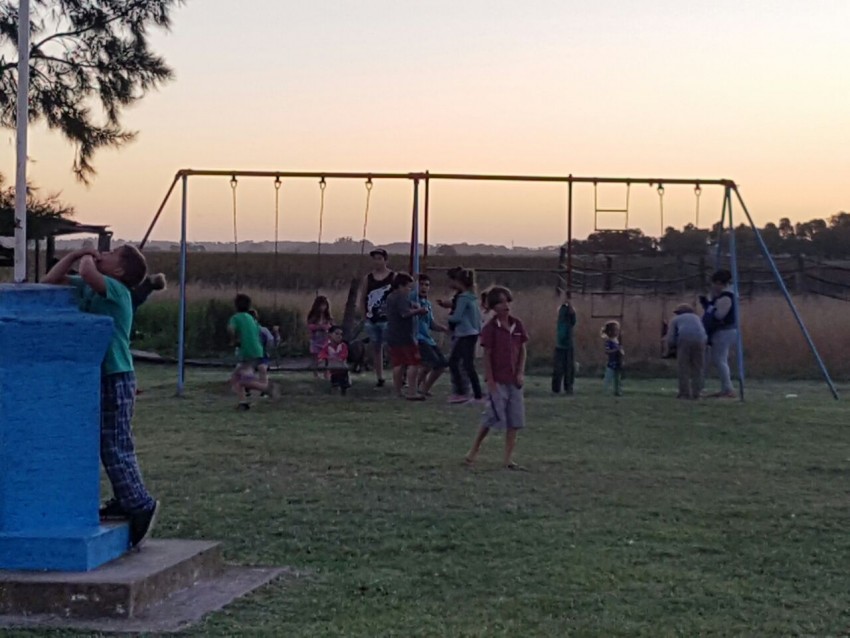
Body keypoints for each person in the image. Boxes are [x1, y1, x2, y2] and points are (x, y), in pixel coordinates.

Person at [43, 244, 160, 548]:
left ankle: (140, 503)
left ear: (119, 271)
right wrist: (70, 257)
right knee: (107, 441)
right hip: (101, 375)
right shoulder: (95, 288)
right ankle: (125, 498)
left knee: (114, 444)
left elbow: (86, 271)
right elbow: (49, 282)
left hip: (116, 374)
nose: (101, 255)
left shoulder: (118, 291)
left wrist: (84, 255)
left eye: (110, 255)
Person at [464, 286, 528, 470]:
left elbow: (522, 349)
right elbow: (487, 355)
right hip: (498, 380)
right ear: (493, 306)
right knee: (492, 415)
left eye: (507, 301)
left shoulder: (517, 325)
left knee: (514, 419)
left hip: (514, 381)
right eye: (500, 302)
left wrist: (520, 372)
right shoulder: (490, 328)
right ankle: (473, 450)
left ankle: (508, 458)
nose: (505, 305)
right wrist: (490, 380)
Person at [385, 272, 428, 400]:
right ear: (400, 286)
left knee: (398, 364)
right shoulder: (400, 297)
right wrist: (419, 311)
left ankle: (398, 391)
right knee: (413, 363)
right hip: (405, 335)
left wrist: (412, 306)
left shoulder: (391, 297)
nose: (409, 290)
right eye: (408, 287)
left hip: (393, 334)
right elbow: (404, 314)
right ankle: (412, 392)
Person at [699, 269, 738, 398]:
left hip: (724, 331)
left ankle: (728, 389)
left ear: (720, 283)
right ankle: (723, 388)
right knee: (716, 359)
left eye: (715, 284)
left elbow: (719, 315)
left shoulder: (726, 297)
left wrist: (710, 309)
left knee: (719, 360)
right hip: (725, 331)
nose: (714, 287)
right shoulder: (728, 295)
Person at [360, 248, 395, 387]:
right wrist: (364, 315)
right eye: (375, 259)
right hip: (372, 318)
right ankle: (380, 376)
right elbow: (363, 297)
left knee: (392, 347)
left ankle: (398, 374)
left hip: (388, 319)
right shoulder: (368, 278)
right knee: (376, 347)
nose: (377, 261)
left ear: (385, 260)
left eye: (380, 258)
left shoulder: (393, 276)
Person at [447, 268, 483, 404]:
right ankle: (472, 392)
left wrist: (449, 317)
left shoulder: (462, 298)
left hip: (465, 334)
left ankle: (468, 393)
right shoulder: (472, 297)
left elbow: (457, 317)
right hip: (472, 333)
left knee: (461, 363)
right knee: (461, 363)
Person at [228, 293, 268, 410]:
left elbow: (230, 329)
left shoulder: (236, 317)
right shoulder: (251, 318)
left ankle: (266, 388)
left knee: (242, 380)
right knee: (236, 378)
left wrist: (233, 340)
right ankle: (242, 403)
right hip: (258, 351)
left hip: (247, 352)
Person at [416, 274, 449, 396]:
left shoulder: (427, 304)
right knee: (430, 362)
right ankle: (414, 387)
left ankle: (425, 388)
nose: (424, 287)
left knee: (442, 364)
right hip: (417, 338)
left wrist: (443, 328)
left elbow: (431, 323)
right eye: (421, 284)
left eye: (427, 285)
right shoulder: (412, 301)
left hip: (427, 338)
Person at [665, 303, 707, 400]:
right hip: (700, 340)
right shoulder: (697, 318)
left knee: (683, 367)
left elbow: (670, 337)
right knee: (698, 367)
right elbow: (703, 332)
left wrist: (671, 348)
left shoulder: (675, 319)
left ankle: (684, 393)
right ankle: (697, 393)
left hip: (684, 339)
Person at [552, 297, 577, 395]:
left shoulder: (566, 321)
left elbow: (573, 317)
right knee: (563, 369)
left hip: (565, 346)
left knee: (567, 369)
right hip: (563, 346)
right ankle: (563, 388)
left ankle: (564, 388)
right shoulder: (564, 321)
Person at [318, 325, 352, 395]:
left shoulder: (343, 346)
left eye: (341, 334)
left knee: (344, 383)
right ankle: (334, 393)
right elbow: (322, 354)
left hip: (342, 369)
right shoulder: (327, 347)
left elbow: (344, 355)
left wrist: (336, 359)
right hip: (333, 370)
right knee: (335, 383)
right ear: (330, 335)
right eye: (336, 334)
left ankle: (344, 392)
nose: (339, 336)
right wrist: (326, 359)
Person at [307, 296, 333, 377]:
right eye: (321, 305)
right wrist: (319, 327)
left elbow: (331, 326)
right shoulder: (313, 316)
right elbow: (310, 326)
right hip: (315, 339)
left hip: (325, 339)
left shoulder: (327, 316)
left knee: (327, 357)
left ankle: (327, 372)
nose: (323, 308)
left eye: (325, 305)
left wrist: (328, 327)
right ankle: (315, 373)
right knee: (316, 357)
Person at [601, 320, 624, 397]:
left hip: (618, 363)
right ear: (610, 331)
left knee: (618, 378)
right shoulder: (609, 342)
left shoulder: (617, 341)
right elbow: (607, 351)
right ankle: (605, 390)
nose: (618, 331)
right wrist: (616, 350)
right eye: (616, 329)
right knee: (608, 377)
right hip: (611, 363)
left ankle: (617, 391)